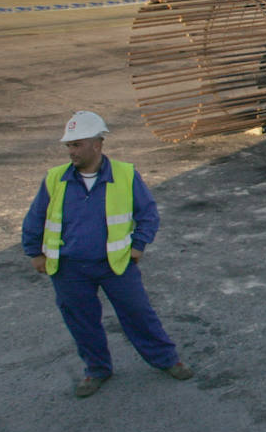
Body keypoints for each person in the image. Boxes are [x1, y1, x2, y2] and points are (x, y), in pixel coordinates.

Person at [22, 111, 192, 398]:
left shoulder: (125, 175)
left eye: (77, 145)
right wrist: (34, 252)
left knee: (139, 314)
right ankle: (96, 369)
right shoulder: (55, 179)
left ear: (97, 145)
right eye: (69, 145)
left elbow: (148, 214)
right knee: (81, 321)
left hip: (116, 265)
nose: (71, 151)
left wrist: (138, 246)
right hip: (68, 268)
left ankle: (166, 360)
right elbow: (35, 218)